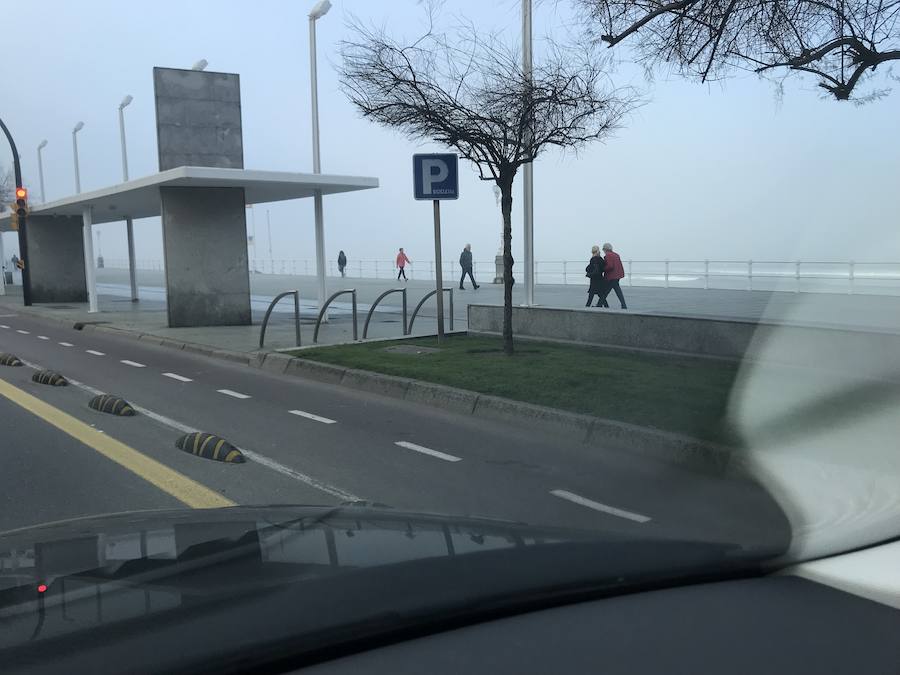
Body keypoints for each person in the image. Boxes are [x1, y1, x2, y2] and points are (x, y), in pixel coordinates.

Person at [598, 242, 627, 309]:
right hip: (617, 276)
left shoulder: (608, 255)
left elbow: (610, 266)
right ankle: (623, 305)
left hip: (611, 276)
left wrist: (603, 269)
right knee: (616, 291)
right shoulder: (616, 255)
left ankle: (599, 305)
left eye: (603, 250)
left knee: (605, 291)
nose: (603, 251)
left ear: (605, 249)